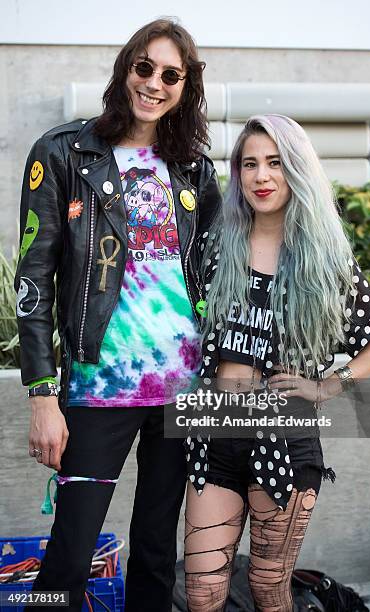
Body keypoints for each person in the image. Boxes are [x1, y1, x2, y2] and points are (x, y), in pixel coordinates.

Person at [15, 18, 221, 611]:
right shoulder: (64, 152)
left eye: (171, 75)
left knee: (157, 549)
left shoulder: (194, 169)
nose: (154, 84)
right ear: (125, 68)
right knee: (70, 554)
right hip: (99, 388)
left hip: (182, 393)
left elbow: (212, 276)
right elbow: (34, 276)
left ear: (186, 88)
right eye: (144, 68)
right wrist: (42, 395)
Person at [183, 114, 370, 611]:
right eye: (249, 164)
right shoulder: (218, 245)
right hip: (215, 432)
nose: (261, 176)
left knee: (268, 589)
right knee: (202, 591)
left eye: (275, 163)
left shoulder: (324, 262)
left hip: (283, 439)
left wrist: (330, 385)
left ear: (297, 170)